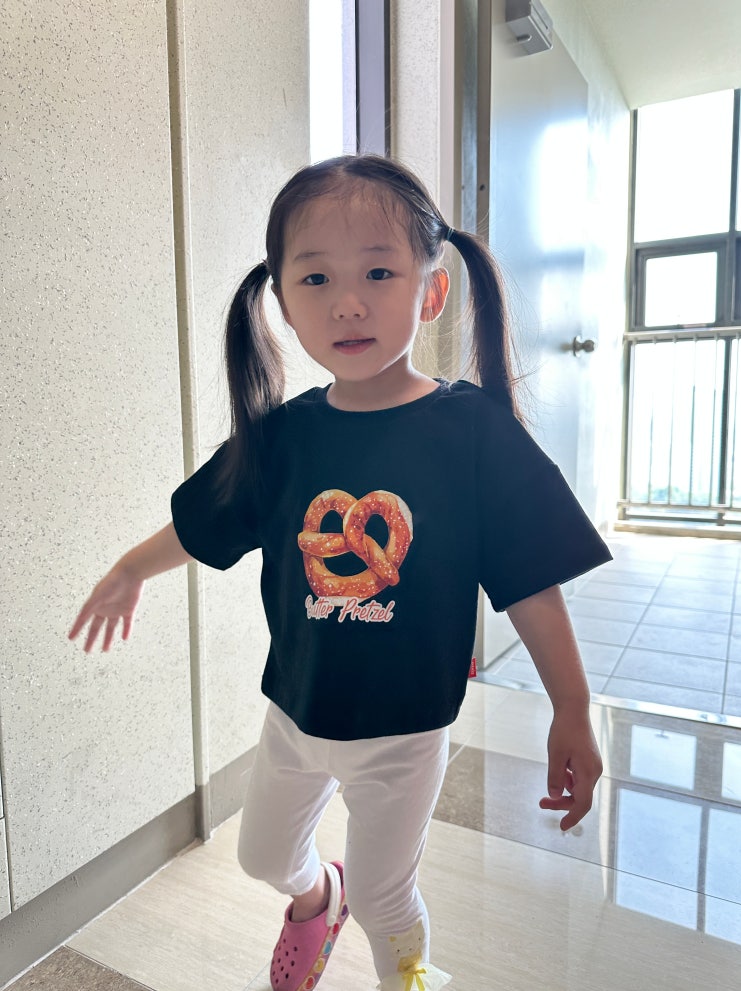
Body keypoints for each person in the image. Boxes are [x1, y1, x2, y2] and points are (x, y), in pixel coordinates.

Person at [69, 154, 611, 991]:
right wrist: (131, 567)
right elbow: (204, 520)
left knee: (388, 892)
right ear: (284, 304)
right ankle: (320, 898)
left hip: (404, 729)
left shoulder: (470, 432)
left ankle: (409, 978)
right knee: (261, 856)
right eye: (316, 278)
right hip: (295, 711)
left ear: (430, 291)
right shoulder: (281, 437)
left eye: (378, 273)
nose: (347, 302)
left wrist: (570, 706)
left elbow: (533, 582)